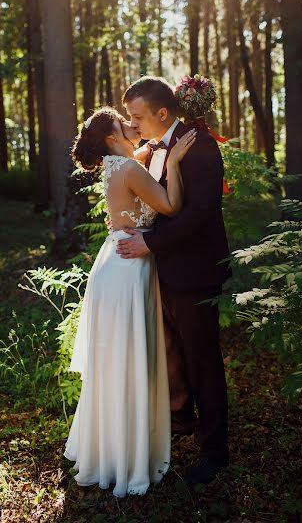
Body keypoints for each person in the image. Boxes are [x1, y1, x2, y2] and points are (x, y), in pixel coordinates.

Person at [63, 107, 196, 497]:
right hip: (129, 264)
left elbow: (139, 157)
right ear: (111, 137)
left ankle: (111, 448)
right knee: (130, 360)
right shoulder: (129, 168)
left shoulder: (118, 164)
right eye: (125, 123)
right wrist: (172, 161)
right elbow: (170, 207)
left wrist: (155, 146)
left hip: (114, 261)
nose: (133, 124)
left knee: (116, 361)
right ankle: (126, 458)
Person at [117, 76, 231, 484]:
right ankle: (182, 420)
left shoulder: (199, 144)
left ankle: (215, 451)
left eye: (138, 117)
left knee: (203, 360)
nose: (134, 125)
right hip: (165, 271)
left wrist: (150, 243)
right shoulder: (154, 149)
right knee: (174, 354)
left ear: (162, 113)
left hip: (195, 271)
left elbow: (200, 212)